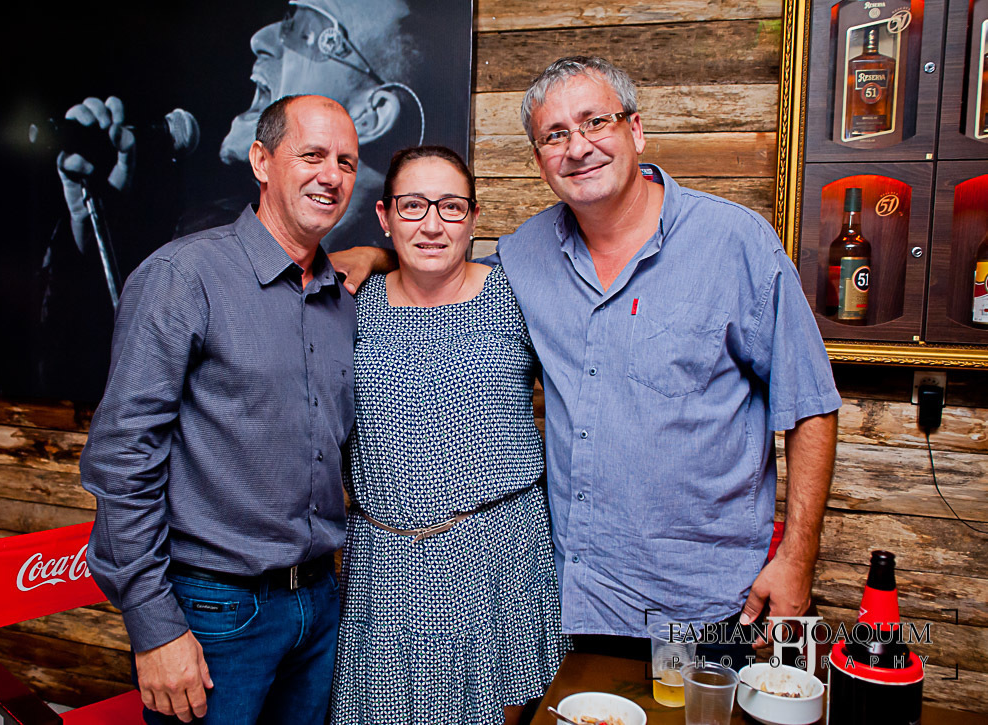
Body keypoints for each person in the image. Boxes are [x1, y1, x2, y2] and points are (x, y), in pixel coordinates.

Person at [334, 56, 842, 665]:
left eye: (595, 121)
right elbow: (439, 268)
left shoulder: (735, 243)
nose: (578, 147)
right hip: (577, 599)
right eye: (555, 135)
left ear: (636, 130)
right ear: (539, 160)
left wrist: (797, 558)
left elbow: (810, 404)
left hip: (707, 602)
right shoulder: (526, 256)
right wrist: (376, 257)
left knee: (701, 711)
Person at [80, 94, 359, 724]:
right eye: (312, 155)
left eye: (345, 161)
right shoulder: (183, 276)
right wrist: (155, 627)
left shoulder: (341, 302)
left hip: (320, 603)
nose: (331, 175)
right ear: (261, 161)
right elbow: (122, 459)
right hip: (215, 612)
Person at [36, 0, 430, 402]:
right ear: (260, 160)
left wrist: (379, 257)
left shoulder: (382, 296)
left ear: (372, 115)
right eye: (312, 155)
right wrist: (92, 227)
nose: (260, 39)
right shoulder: (192, 254)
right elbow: (95, 389)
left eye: (306, 30)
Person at [328, 146, 566, 725]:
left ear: (474, 218)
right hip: (382, 564)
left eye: (451, 207)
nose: (432, 224)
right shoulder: (349, 306)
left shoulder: (518, 296)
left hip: (498, 559)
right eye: (413, 205)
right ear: (385, 216)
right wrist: (374, 258)